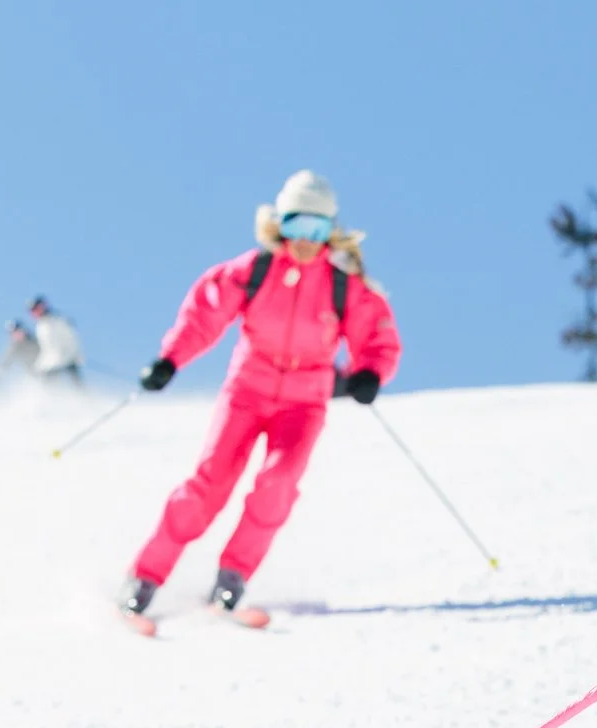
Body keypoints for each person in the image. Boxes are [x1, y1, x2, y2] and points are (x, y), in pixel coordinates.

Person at [120, 170, 402, 624]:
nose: (305, 240)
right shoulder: (255, 271)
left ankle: (231, 580)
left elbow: (378, 336)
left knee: (278, 485)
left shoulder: (343, 286)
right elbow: (205, 314)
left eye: (316, 230)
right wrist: (170, 359)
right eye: (296, 227)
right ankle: (144, 578)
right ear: (279, 225)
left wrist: (369, 372)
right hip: (246, 393)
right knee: (208, 485)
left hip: (303, 404)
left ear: (330, 231)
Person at [29, 297, 84, 387]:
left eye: (37, 309)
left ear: (43, 306)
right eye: (33, 311)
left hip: (68, 359)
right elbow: (46, 350)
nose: (35, 313)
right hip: (53, 363)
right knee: (47, 383)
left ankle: (85, 399)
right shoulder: (40, 327)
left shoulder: (58, 319)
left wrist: (76, 354)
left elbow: (72, 338)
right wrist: (38, 366)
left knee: (76, 384)